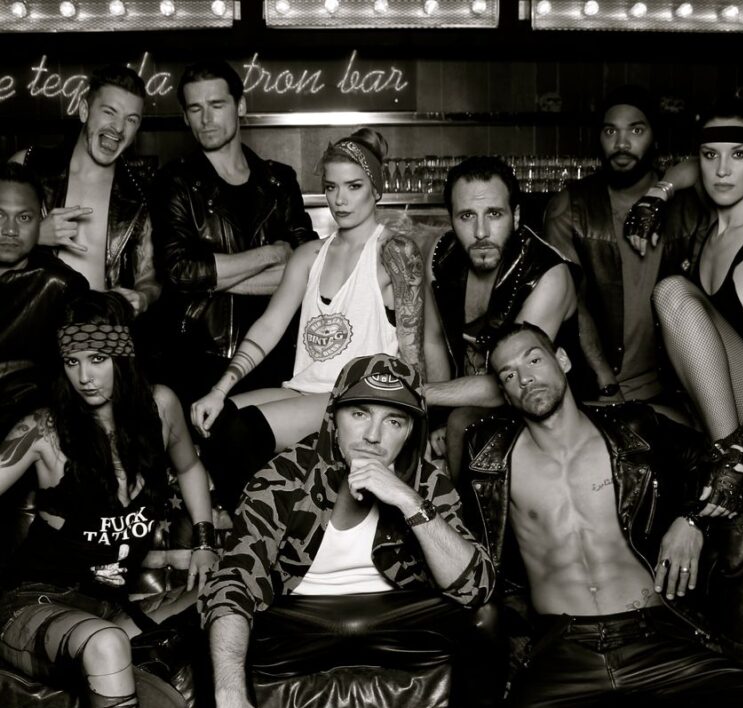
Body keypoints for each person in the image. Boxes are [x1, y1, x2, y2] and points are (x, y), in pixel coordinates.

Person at [464, 321, 743, 708]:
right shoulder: (488, 460)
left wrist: (693, 521)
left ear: (563, 360)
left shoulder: (636, 429)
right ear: (503, 392)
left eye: (534, 360)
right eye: (508, 374)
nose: (524, 377)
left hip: (653, 637)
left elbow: (722, 467)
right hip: (563, 649)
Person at [199, 354, 501, 708]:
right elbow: (234, 577)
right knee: (218, 629)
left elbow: (476, 587)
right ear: (334, 416)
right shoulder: (284, 475)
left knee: (486, 617)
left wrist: (407, 501)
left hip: (397, 617)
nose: (373, 436)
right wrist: (230, 698)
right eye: (359, 414)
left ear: (410, 431)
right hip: (295, 621)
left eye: (394, 421)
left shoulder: (428, 484)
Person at [0, 291, 218, 708]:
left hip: (110, 608)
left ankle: (105, 669)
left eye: (97, 359)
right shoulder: (43, 431)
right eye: (72, 361)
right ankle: (107, 663)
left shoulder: (161, 407)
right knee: (105, 644)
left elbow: (188, 467)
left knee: (225, 589)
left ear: (123, 356)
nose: (84, 376)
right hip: (33, 605)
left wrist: (204, 540)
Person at [190, 128, 425, 511]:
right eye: (331, 187)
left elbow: (413, 345)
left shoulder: (395, 252)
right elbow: (269, 326)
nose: (340, 199)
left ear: (376, 189)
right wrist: (219, 390)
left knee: (242, 433)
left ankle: (258, 526)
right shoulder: (309, 256)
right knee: (215, 422)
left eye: (353, 186)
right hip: (305, 390)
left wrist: (418, 421)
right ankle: (255, 521)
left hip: (357, 396)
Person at [638, 91, 743, 675]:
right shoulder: (706, 236)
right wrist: (656, 193)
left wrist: (742, 454)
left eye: (739, 155)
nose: (721, 169)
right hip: (735, 420)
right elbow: (687, 169)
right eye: (711, 155)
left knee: (670, 292)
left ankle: (731, 486)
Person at [151, 60, 317, 408]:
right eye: (195, 108)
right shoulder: (174, 182)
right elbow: (179, 271)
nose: (206, 119)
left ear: (240, 106)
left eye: (216, 105)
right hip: (200, 355)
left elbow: (311, 269)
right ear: (185, 117)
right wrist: (272, 255)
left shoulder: (278, 181)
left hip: (275, 353)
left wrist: (212, 276)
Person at [423, 155, 581, 478]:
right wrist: (436, 418)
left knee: (460, 423)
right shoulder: (441, 256)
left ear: (516, 215)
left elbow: (513, 379)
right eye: (467, 215)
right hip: (464, 402)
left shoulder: (547, 274)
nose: (481, 231)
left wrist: (425, 395)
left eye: (494, 214)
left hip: (544, 406)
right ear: (451, 219)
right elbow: (434, 341)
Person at [544, 85, 702, 406]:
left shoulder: (686, 206)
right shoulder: (570, 208)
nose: (621, 144)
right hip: (597, 392)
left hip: (677, 389)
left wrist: (660, 193)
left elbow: (714, 164)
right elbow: (570, 301)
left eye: (636, 130)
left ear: (655, 139)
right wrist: (606, 383)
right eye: (610, 131)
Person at [11, 64, 159, 316]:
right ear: (84, 110)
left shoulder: (142, 193)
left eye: (131, 120)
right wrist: (34, 235)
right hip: (34, 323)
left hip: (102, 327)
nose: (118, 128)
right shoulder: (27, 165)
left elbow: (150, 275)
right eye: (109, 112)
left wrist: (143, 297)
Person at [0, 161, 87, 437]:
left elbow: (107, 362)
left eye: (24, 218)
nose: (10, 230)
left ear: (40, 221)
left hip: (27, 430)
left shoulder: (61, 285)